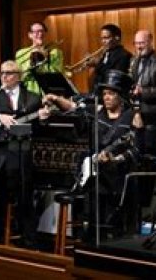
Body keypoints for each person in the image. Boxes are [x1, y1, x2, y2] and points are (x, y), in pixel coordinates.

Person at [44, 69, 139, 234]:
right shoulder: (96, 111)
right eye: (104, 93)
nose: (106, 97)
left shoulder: (132, 116)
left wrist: (115, 159)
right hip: (94, 174)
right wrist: (55, 98)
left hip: (119, 175)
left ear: (120, 96)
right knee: (91, 211)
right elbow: (72, 107)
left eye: (111, 94)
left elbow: (137, 149)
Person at [0, 60, 51, 248]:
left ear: (19, 76)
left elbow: (39, 129)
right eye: (2, 73)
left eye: (8, 73)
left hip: (21, 155)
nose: (4, 77)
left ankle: (28, 243)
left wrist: (43, 119)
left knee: (25, 200)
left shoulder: (32, 98)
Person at [129, 29, 156, 158]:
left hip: (152, 112)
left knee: (148, 150)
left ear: (151, 42)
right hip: (134, 110)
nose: (139, 47)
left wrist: (143, 91)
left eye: (142, 43)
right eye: (136, 43)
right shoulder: (133, 61)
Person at [15, 21, 64, 95]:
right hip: (28, 91)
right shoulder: (21, 53)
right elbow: (20, 75)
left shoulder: (55, 52)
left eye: (42, 31)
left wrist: (44, 59)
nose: (40, 34)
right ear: (30, 35)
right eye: (37, 32)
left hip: (48, 92)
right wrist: (32, 61)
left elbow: (56, 73)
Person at [91, 24, 133, 89]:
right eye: (102, 38)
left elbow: (114, 76)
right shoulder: (107, 53)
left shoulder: (124, 55)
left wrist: (98, 64)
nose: (103, 41)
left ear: (117, 38)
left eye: (106, 38)